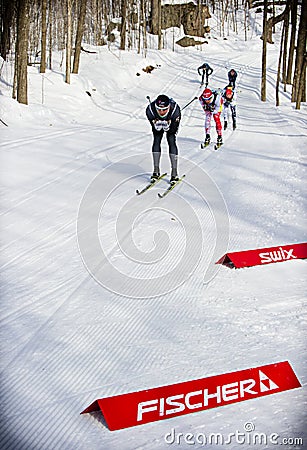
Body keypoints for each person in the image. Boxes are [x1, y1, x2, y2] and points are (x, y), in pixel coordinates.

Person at [146, 94, 181, 184]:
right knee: (157, 140)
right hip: (157, 121)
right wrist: (155, 124)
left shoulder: (175, 110)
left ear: (168, 107)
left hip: (172, 121)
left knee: (171, 140)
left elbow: (174, 130)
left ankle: (174, 172)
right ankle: (156, 170)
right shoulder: (150, 110)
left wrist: (169, 127)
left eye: (164, 109)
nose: (161, 112)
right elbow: (153, 126)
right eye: (159, 109)